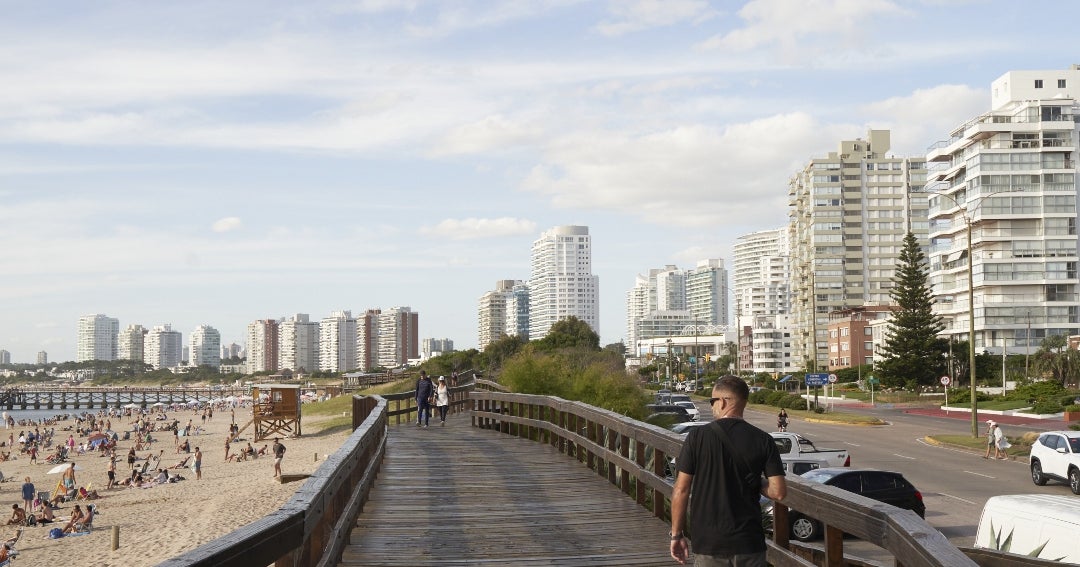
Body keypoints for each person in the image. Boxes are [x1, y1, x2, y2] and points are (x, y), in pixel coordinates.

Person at [670, 376, 787, 566]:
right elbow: (778, 493)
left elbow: (681, 490)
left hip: (709, 542)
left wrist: (676, 535)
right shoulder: (764, 439)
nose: (711, 406)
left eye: (712, 401)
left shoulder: (697, 437)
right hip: (749, 542)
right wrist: (756, 481)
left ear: (723, 401)